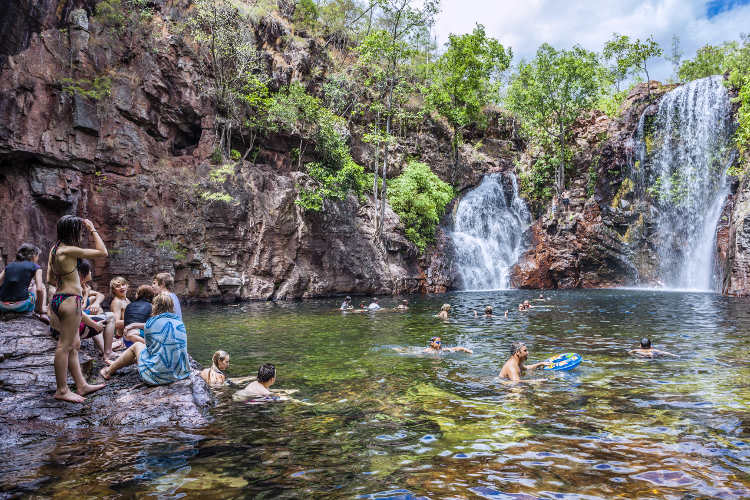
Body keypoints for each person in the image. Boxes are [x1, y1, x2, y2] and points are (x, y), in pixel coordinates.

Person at [47, 216, 107, 403]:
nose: (80, 234)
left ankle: (81, 385)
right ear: (71, 232)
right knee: (64, 346)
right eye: (78, 231)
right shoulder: (69, 250)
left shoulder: (54, 249)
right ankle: (62, 390)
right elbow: (102, 252)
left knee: (74, 345)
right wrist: (92, 229)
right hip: (70, 301)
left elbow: (49, 277)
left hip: (58, 299)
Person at [99, 292, 190, 385]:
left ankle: (109, 371)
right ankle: (117, 363)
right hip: (180, 373)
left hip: (157, 377)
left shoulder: (151, 323)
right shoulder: (179, 322)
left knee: (137, 346)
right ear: (171, 306)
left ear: (154, 306)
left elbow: (148, 350)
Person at [75, 259, 116, 361]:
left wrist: (96, 303)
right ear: (83, 273)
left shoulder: (80, 286)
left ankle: (104, 347)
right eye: (89, 271)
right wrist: (95, 324)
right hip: (73, 328)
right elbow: (78, 311)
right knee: (110, 316)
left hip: (70, 323)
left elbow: (100, 295)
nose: (91, 273)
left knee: (95, 304)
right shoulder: (77, 288)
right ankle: (107, 351)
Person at [0, 243, 47, 320]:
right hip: (22, 306)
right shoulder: (36, 267)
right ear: (33, 256)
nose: (38, 259)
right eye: (37, 256)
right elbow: (39, 289)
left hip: (2, 306)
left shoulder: (9, 266)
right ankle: (41, 312)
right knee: (41, 286)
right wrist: (39, 308)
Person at [109, 276, 130, 346]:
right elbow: (116, 323)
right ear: (113, 290)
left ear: (127, 286)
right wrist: (134, 321)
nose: (121, 287)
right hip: (119, 336)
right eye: (118, 286)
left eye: (123, 284)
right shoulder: (117, 302)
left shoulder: (127, 300)